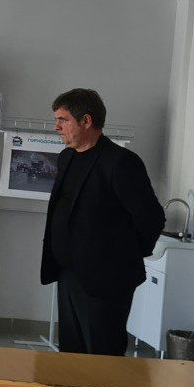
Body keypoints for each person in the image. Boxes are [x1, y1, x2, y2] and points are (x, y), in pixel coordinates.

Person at [42, 88, 164, 356]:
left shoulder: (120, 162)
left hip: (105, 279)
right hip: (68, 274)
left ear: (86, 121)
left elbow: (152, 219)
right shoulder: (67, 157)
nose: (56, 127)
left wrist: (123, 257)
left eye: (63, 120)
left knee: (102, 356)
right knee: (71, 354)